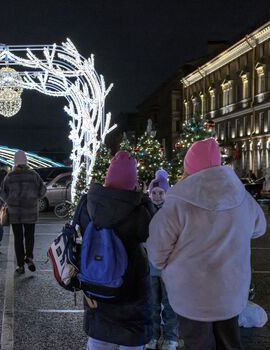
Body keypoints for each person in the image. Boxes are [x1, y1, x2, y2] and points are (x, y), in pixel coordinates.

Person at [147, 138, 266, 350]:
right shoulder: (241, 195)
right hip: (230, 291)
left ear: (189, 167)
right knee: (230, 343)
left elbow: (157, 252)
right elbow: (259, 228)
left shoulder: (177, 201)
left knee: (198, 343)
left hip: (191, 295)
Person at [76, 151, 153, 350]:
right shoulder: (138, 211)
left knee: (98, 339)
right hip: (131, 292)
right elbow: (150, 233)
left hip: (96, 284)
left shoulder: (88, 204)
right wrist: (142, 198)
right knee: (131, 343)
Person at [145, 169, 179, 350]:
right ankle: (152, 335)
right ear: (149, 194)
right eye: (154, 193)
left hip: (168, 268)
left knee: (170, 304)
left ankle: (171, 337)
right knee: (151, 304)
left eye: (161, 193)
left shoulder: (172, 212)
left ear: (167, 193)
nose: (157, 196)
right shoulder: (146, 211)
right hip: (151, 267)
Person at [0, 151, 46, 274]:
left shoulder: (10, 176)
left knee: (18, 239)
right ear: (26, 162)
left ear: (15, 163)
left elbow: (1, 192)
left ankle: (20, 266)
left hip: (15, 213)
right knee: (29, 236)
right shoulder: (33, 175)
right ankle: (29, 257)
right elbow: (43, 190)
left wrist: (9, 200)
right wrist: (34, 198)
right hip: (30, 211)